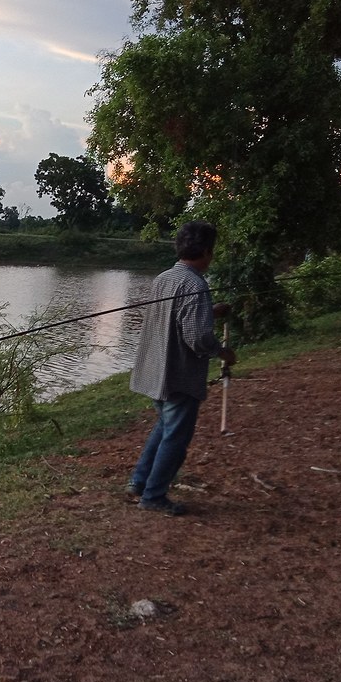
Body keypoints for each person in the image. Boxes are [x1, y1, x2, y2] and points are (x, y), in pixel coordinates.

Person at [127, 221, 236, 516]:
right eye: (212, 251)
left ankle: (139, 482)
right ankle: (153, 495)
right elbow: (197, 337)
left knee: (164, 428)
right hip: (178, 377)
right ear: (205, 251)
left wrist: (210, 312)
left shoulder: (163, 279)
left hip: (155, 373)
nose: (212, 256)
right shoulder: (196, 284)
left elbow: (175, 317)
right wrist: (222, 352)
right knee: (175, 437)